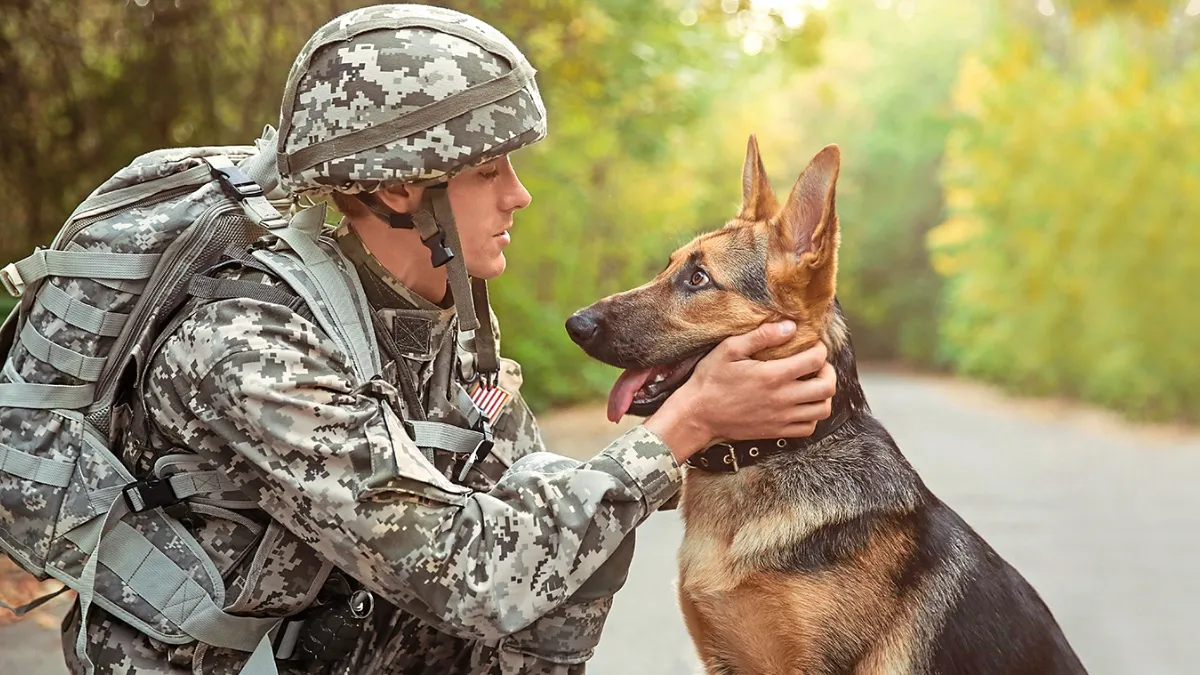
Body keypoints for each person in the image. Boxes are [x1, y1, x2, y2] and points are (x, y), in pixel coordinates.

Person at [61, 4, 837, 674]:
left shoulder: (439, 323)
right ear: (404, 189)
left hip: (341, 646)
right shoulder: (251, 345)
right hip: (233, 660)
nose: (519, 195)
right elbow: (468, 571)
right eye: (489, 170)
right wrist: (687, 423)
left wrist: (735, 426)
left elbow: (535, 515)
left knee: (580, 544)